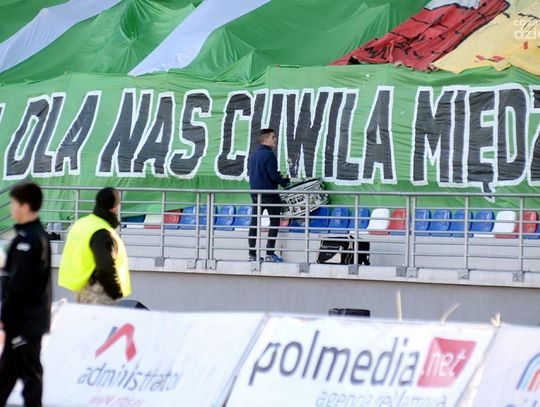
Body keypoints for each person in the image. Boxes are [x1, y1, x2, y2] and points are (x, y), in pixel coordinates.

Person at [0, 182, 51, 407]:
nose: (11, 208)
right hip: (23, 320)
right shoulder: (29, 236)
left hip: (25, 321)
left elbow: (19, 285)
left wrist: (6, 316)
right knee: (7, 373)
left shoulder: (30, 239)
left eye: (14, 203)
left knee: (30, 374)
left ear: (26, 206)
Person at [59, 187, 131, 305]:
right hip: (99, 292)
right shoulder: (101, 231)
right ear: (114, 207)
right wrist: (115, 292)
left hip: (82, 289)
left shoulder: (81, 224)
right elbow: (105, 267)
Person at [248, 129, 290, 262]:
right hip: (270, 194)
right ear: (266, 139)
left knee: (254, 223)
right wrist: (284, 182)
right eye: (273, 137)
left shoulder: (254, 155)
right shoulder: (269, 155)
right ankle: (269, 253)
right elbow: (273, 175)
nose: (275, 139)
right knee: (274, 221)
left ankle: (252, 254)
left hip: (256, 195)